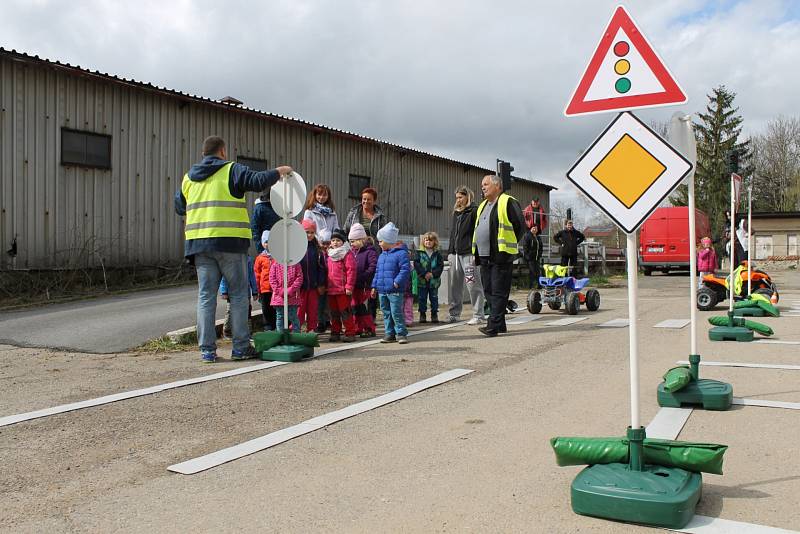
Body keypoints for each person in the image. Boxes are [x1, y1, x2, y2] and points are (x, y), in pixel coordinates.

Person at [174, 135, 292, 363]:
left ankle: (207, 350)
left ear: (203, 154)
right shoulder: (231, 170)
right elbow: (258, 181)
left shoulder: (188, 178)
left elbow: (179, 207)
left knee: (206, 297)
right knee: (238, 295)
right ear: (223, 152)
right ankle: (240, 348)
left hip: (199, 245)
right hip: (229, 243)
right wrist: (280, 171)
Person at [473, 174, 525, 337]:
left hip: (501, 255)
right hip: (483, 255)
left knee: (499, 291)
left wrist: (509, 243)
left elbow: (520, 226)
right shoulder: (482, 206)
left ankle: (492, 326)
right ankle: (500, 323)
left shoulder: (507, 201)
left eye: (486, 184)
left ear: (497, 186)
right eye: (482, 184)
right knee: (489, 290)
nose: (483, 187)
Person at [446, 185, 486, 325]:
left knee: (472, 285)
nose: (458, 200)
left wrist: (476, 252)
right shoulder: (456, 213)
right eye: (456, 197)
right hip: (455, 254)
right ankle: (454, 314)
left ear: (467, 196)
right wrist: (450, 251)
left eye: (460, 197)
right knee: (454, 286)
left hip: (469, 253)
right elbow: (453, 233)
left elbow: (478, 232)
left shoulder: (474, 211)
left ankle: (479, 315)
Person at [372, 222, 411, 344]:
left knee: (396, 312)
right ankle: (389, 333)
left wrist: (397, 282)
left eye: (381, 241)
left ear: (389, 240)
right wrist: (374, 286)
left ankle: (401, 333)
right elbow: (377, 271)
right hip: (382, 290)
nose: (379, 244)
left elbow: (405, 269)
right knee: (386, 312)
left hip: (394, 289)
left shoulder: (401, 254)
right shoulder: (382, 255)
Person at [326, 228, 357, 342]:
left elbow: (351, 271)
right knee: (334, 313)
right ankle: (335, 332)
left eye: (338, 240)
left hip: (342, 290)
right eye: (333, 240)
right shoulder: (329, 255)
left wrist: (349, 286)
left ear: (343, 242)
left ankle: (350, 332)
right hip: (331, 289)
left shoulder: (347, 254)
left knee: (345, 312)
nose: (335, 242)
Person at [349, 223, 378, 338]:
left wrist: (363, 276)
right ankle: (358, 328)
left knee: (364, 308)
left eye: (354, 241)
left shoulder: (370, 251)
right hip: (354, 285)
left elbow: (372, 267)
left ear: (361, 239)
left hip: (365, 285)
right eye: (350, 241)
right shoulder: (351, 252)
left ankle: (370, 328)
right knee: (355, 307)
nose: (352, 244)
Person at [298, 219, 327, 333]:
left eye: (311, 232)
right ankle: (296, 330)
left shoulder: (317, 248)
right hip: (300, 287)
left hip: (313, 286)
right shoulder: (297, 247)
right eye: (306, 232)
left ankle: (312, 330)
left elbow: (321, 267)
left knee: (312, 310)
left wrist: (321, 283)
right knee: (299, 311)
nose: (309, 235)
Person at [220, 255, 259, 337]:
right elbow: (224, 276)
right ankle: (227, 330)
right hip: (232, 290)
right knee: (230, 310)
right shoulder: (228, 257)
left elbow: (252, 275)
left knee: (247, 309)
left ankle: (248, 331)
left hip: (245, 290)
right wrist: (224, 291)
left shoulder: (248, 259)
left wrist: (254, 291)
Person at [415, 232, 444, 323]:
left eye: (430, 240)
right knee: (422, 298)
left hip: (433, 281)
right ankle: (422, 314)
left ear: (434, 242)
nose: (428, 242)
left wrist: (432, 274)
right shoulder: (419, 253)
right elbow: (417, 264)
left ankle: (434, 314)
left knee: (434, 298)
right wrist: (424, 274)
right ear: (423, 241)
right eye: (426, 240)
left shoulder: (437, 253)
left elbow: (440, 266)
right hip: (422, 280)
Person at [269, 258, 303, 333]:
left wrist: (290, 290)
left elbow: (299, 278)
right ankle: (280, 335)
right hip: (279, 298)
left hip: (292, 296)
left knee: (293, 316)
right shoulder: (274, 264)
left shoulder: (296, 264)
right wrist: (280, 291)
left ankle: (296, 335)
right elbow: (272, 279)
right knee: (280, 316)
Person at [253, 231, 277, 331]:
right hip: (265, 288)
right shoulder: (260, 258)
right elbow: (257, 274)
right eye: (266, 241)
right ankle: (267, 325)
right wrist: (257, 289)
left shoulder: (278, 256)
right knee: (266, 308)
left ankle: (277, 324)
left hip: (277, 289)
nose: (268, 244)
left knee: (277, 307)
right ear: (263, 243)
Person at [315, 229, 333, 333]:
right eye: (323, 243)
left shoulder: (333, 253)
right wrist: (319, 283)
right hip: (321, 283)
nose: (326, 246)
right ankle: (320, 322)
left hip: (330, 283)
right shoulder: (319, 254)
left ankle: (327, 321)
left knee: (328, 304)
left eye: (328, 243)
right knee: (320, 304)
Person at [520, 223, 543, 289]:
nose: (535, 229)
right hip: (530, 258)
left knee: (538, 272)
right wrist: (527, 256)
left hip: (537, 258)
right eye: (533, 228)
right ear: (531, 229)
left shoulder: (538, 237)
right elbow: (525, 247)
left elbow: (541, 247)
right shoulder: (527, 236)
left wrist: (540, 254)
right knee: (532, 272)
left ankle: (539, 285)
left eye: (536, 228)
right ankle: (531, 286)